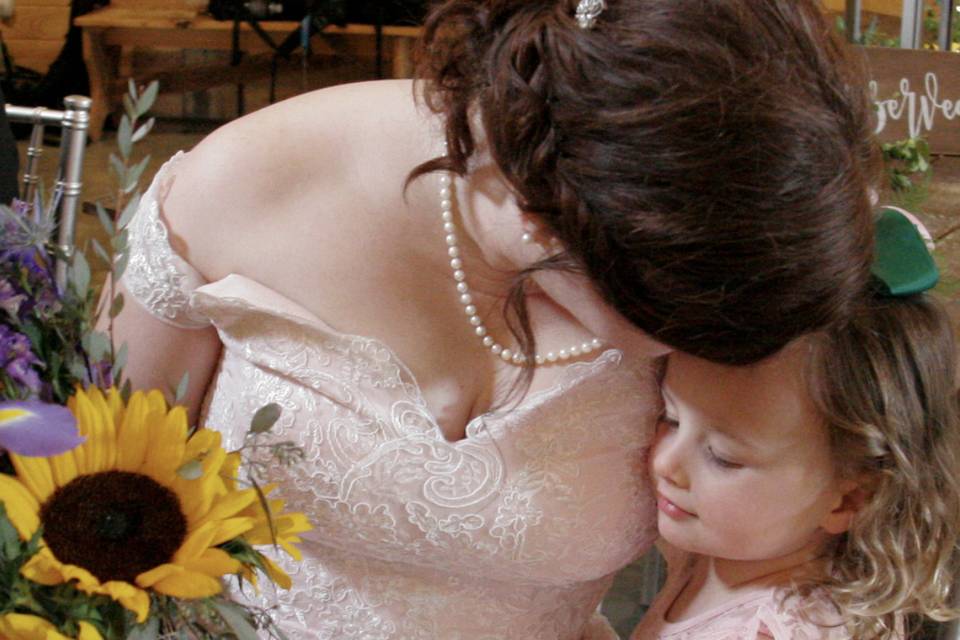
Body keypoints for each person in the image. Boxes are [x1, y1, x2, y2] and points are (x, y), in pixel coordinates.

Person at [109, 0, 877, 637]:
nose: (692, 348)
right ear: (552, 224)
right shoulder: (250, 185)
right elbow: (97, 484)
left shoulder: (724, 252)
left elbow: (799, 512)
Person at [635, 208, 960, 640]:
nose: (665, 463)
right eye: (670, 417)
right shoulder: (724, 550)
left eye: (723, 457)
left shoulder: (780, 630)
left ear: (849, 498)